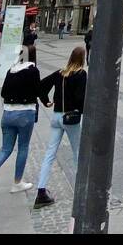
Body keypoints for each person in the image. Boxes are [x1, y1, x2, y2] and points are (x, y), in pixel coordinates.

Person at [0, 47, 41, 201]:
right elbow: (37, 90)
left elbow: (4, 93)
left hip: (7, 114)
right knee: (23, 147)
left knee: (5, 149)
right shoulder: (33, 70)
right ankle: (17, 183)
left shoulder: (11, 71)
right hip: (25, 114)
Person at [34, 45, 87, 209]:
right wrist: (83, 110)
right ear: (83, 59)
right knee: (77, 153)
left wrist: (46, 101)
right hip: (70, 118)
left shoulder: (60, 73)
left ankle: (41, 191)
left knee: (50, 154)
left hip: (56, 116)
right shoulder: (81, 74)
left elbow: (40, 86)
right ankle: (82, 190)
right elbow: (80, 97)